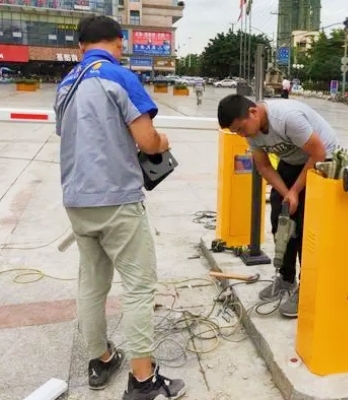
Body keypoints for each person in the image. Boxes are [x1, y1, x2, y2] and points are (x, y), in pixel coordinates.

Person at [53, 15, 186, 400]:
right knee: (140, 287)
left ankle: (101, 359)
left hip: (77, 201)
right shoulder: (119, 76)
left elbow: (72, 135)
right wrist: (162, 141)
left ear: (80, 46)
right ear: (118, 43)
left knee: (93, 284)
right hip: (117, 200)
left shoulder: (66, 84)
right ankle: (143, 381)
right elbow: (145, 141)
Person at [217, 94, 339, 318]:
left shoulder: (286, 118)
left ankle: (309, 289)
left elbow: (318, 152)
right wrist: (287, 194)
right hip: (293, 162)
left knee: (305, 228)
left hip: (323, 162)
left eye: (241, 128)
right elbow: (263, 167)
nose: (242, 135)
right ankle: (285, 278)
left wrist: (296, 192)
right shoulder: (251, 131)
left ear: (253, 112)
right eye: (237, 132)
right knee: (280, 218)